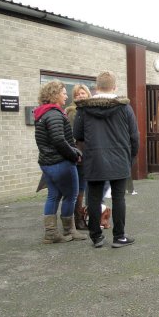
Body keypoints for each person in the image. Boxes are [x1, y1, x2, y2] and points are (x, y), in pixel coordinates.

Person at [74, 71, 140, 248]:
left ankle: (96, 237)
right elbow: (134, 136)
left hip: (94, 158)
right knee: (119, 198)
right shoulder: (125, 107)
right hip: (119, 158)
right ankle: (119, 237)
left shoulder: (83, 109)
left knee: (94, 199)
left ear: (96, 88)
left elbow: (78, 134)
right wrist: (131, 157)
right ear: (115, 87)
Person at [34, 80, 86, 244]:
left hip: (47, 163)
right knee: (71, 195)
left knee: (53, 196)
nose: (66, 96)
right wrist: (74, 154)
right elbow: (59, 140)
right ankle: (69, 230)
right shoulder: (55, 114)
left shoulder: (42, 113)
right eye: (63, 93)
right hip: (60, 162)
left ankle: (51, 234)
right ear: (55, 95)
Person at [65, 84, 92, 230]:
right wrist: (76, 153)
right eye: (77, 94)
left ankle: (84, 217)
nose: (80, 96)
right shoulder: (72, 113)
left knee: (85, 186)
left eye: (83, 93)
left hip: (90, 154)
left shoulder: (91, 111)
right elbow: (70, 136)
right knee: (79, 188)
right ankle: (78, 219)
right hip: (79, 156)